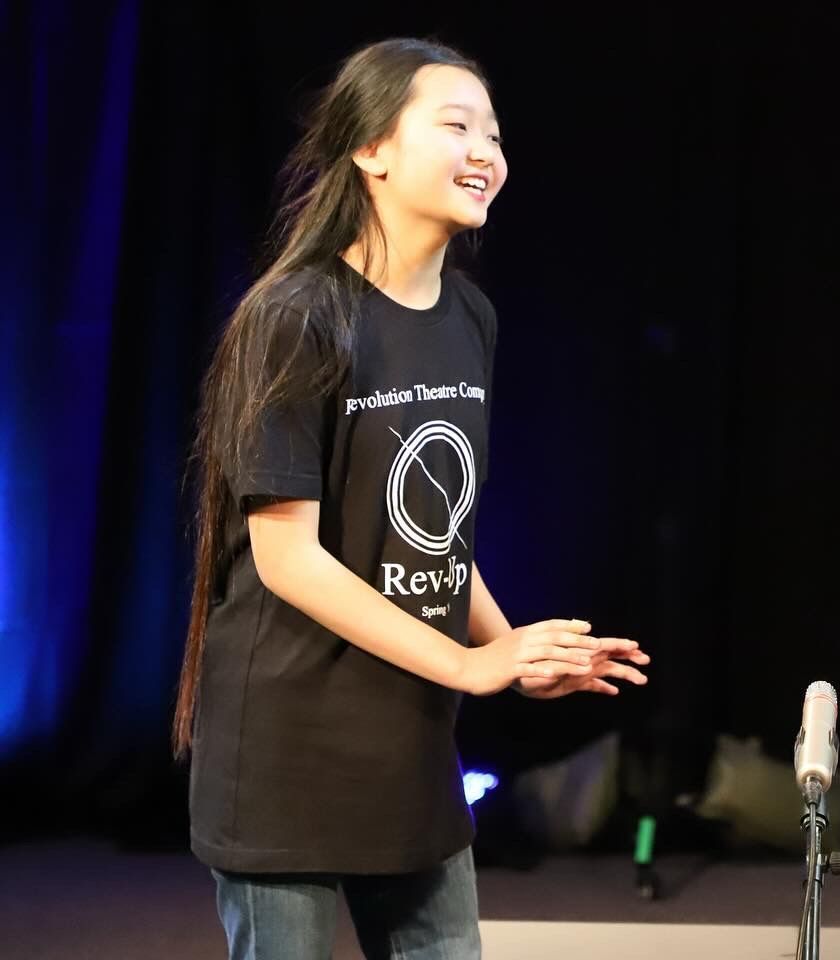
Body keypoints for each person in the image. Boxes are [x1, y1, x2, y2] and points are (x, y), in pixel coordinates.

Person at [171, 38, 648, 959]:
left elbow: (429, 535)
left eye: (495, 135)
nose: (487, 153)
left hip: (412, 740)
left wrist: (504, 646)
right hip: (288, 747)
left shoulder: (470, 317)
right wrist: (470, 665)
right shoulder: (296, 314)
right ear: (370, 150)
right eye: (456, 126)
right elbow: (288, 558)